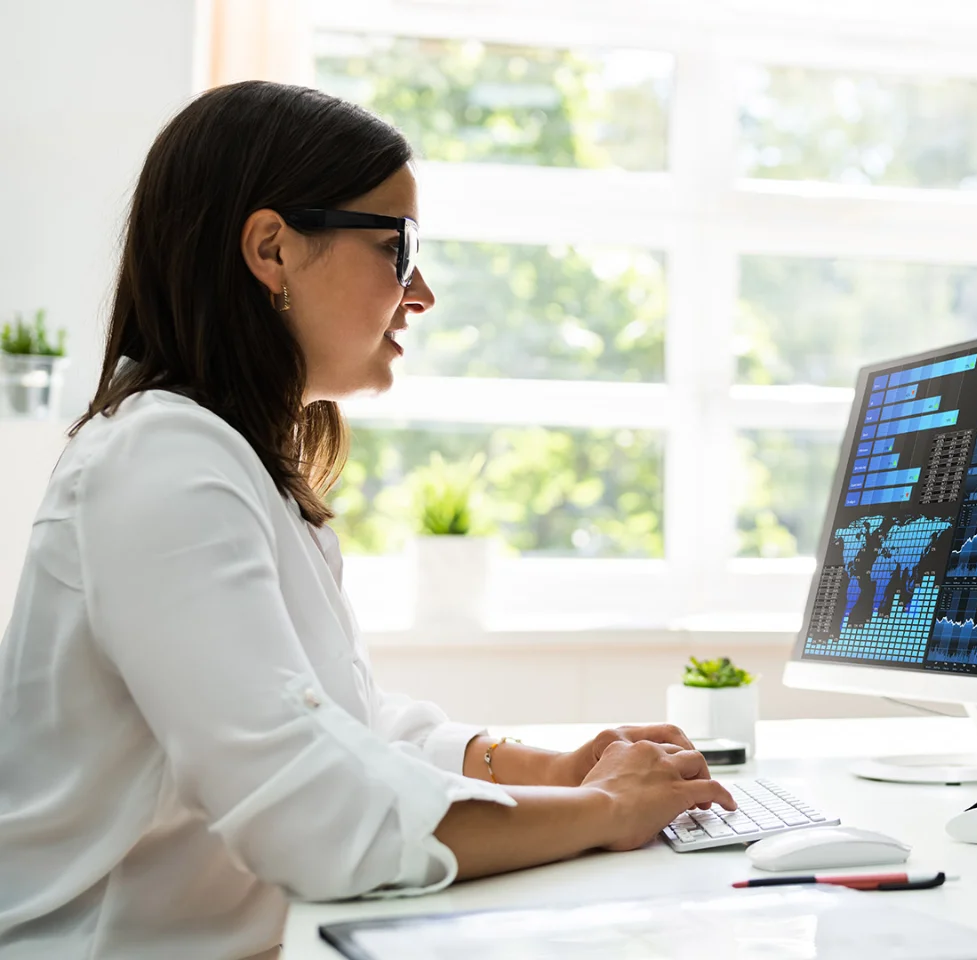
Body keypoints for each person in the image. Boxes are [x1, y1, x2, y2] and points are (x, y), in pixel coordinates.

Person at [0, 80, 735, 960]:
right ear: (272, 249)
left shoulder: (230, 461)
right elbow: (311, 815)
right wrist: (608, 810)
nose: (420, 292)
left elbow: (345, 729)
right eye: (398, 247)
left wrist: (556, 766)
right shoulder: (160, 463)